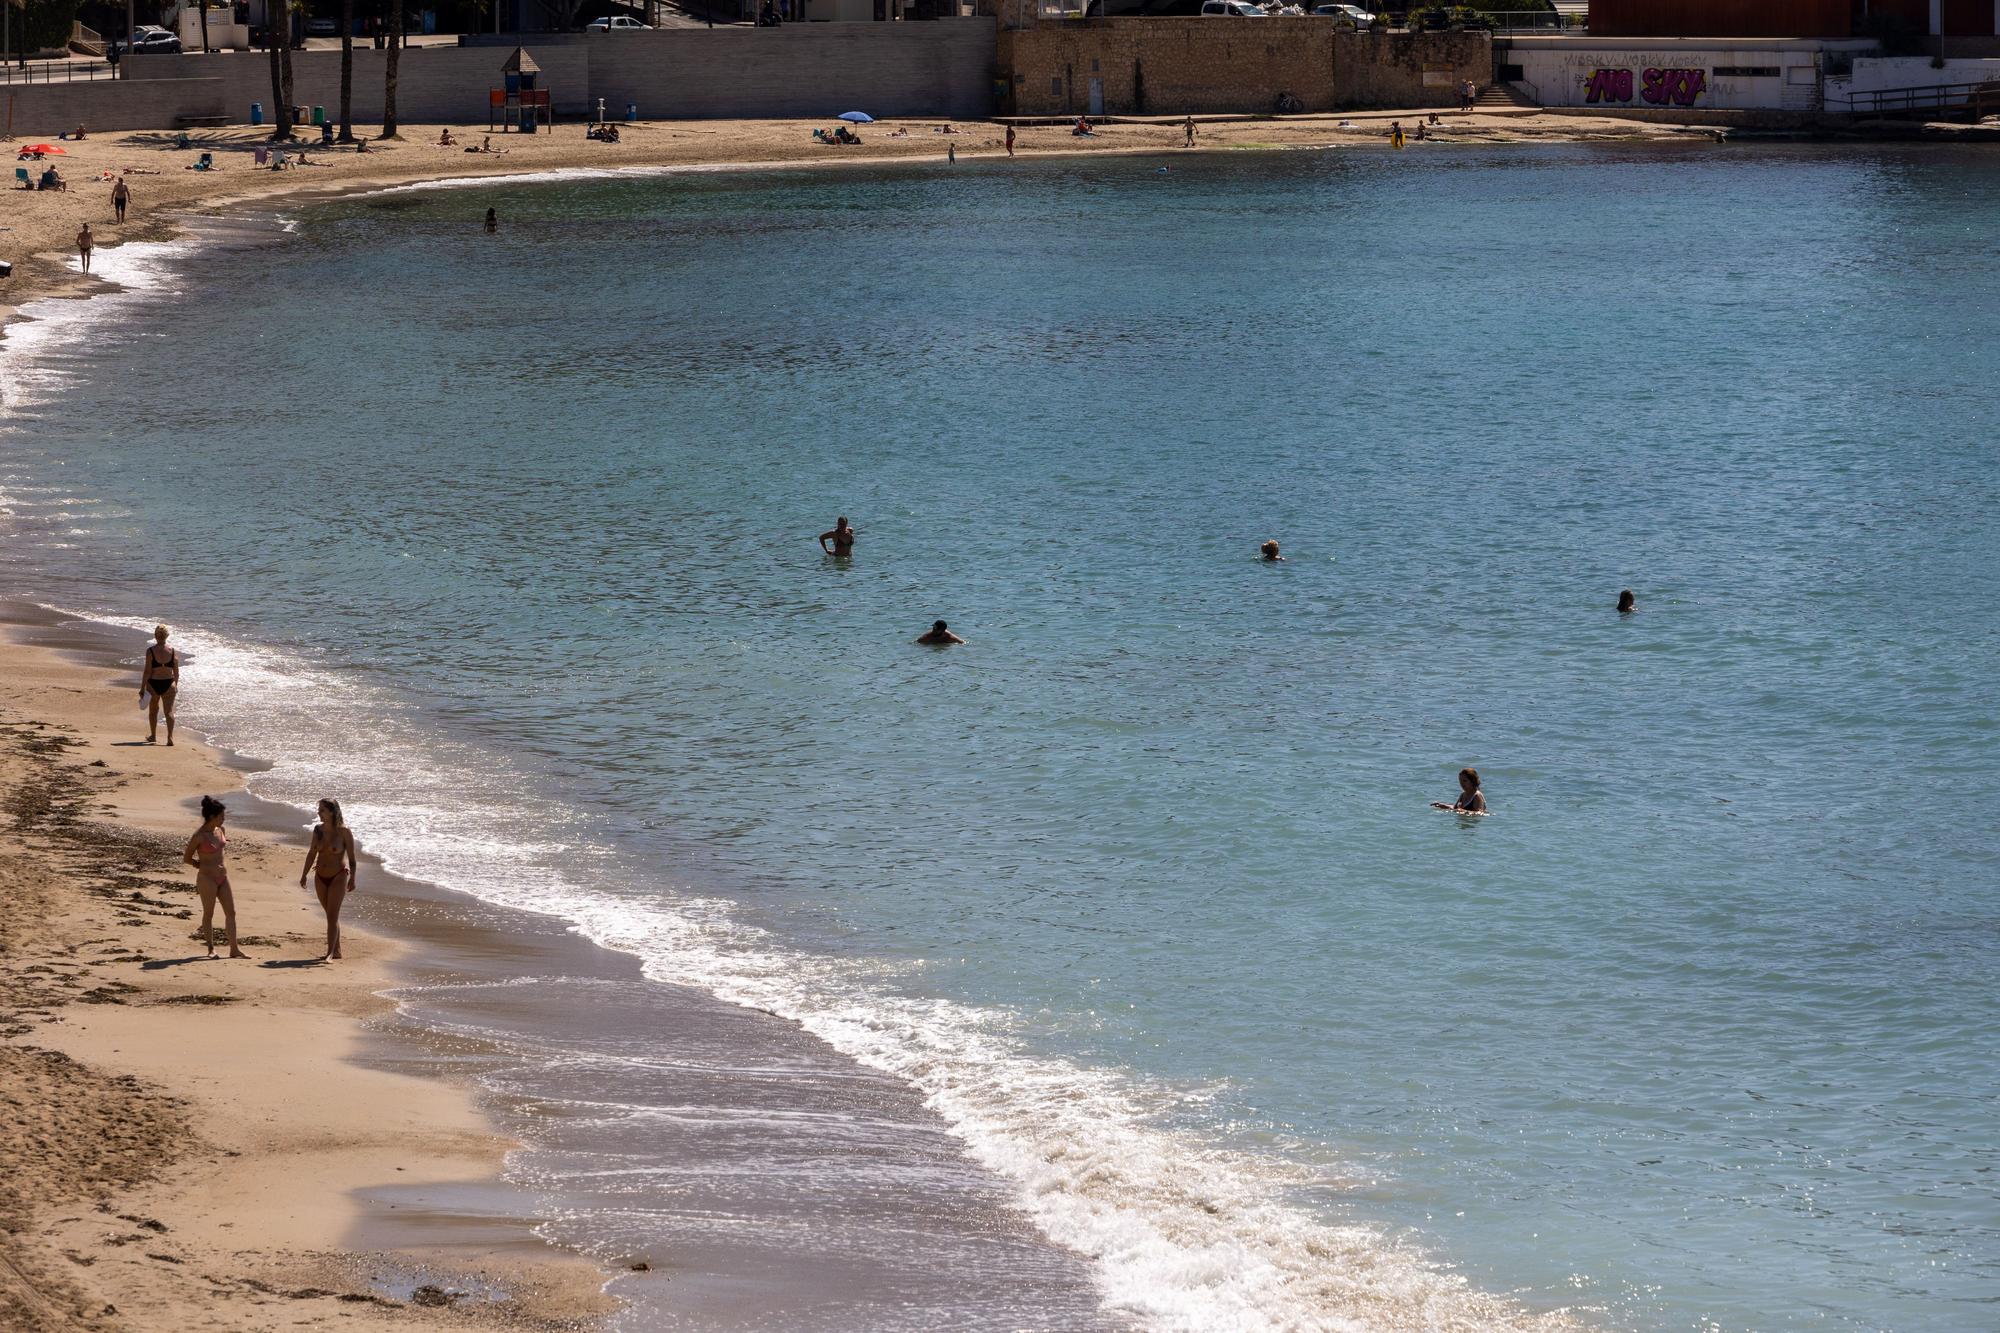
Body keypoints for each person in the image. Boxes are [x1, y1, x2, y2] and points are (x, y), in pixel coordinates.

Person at [184, 796, 247, 959]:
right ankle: (211, 949)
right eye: (221, 816)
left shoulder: (221, 830)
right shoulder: (199, 835)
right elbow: (187, 858)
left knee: (231, 912)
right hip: (207, 879)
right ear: (212, 816)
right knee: (209, 914)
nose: (224, 819)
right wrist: (199, 865)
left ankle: (234, 949)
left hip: (223, 878)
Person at [299, 798, 358, 961]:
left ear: (332, 812)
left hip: (338, 876)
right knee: (330, 915)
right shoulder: (318, 830)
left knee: (332, 916)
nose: (319, 813)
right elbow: (312, 853)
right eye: (319, 810)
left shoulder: (344, 832)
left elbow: (352, 859)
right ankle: (337, 950)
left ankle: (330, 953)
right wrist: (304, 874)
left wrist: (353, 878)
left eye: (322, 810)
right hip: (320, 877)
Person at [141, 624, 179, 745]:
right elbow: (176, 673)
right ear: (167, 635)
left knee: (153, 711)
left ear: (155, 636)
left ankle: (153, 736)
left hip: (153, 684)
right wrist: (175, 686)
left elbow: (147, 672)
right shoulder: (172, 651)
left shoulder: (151, 651)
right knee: (169, 712)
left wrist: (142, 688)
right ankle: (170, 737)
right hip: (169, 683)